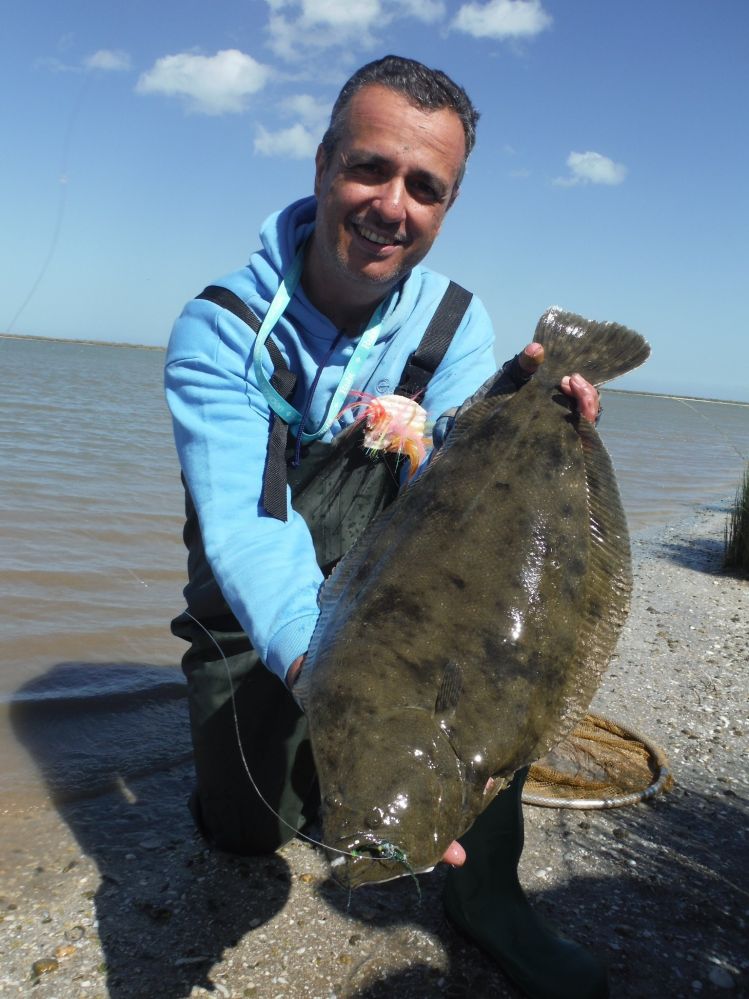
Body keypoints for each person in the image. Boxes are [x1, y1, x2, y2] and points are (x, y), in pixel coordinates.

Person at [165, 55, 605, 999]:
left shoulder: (455, 323)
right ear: (323, 163)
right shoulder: (222, 330)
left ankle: (487, 894)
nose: (390, 205)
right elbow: (249, 533)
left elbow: (469, 507)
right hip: (263, 622)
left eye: (424, 187)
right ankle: (298, 764)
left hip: (405, 600)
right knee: (248, 831)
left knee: (499, 665)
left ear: (446, 206)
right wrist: (330, 681)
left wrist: (527, 416)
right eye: (369, 168)